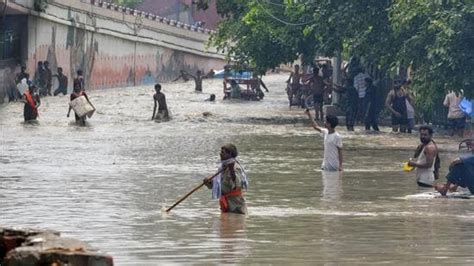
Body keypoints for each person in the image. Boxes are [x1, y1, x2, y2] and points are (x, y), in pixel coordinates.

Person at [204, 144, 248, 214]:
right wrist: (208, 182)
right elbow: (219, 185)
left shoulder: (235, 167)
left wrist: (231, 170)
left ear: (230, 154)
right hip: (226, 205)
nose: (220, 154)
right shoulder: (222, 167)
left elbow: (237, 184)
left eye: (223, 152)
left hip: (236, 206)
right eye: (221, 152)